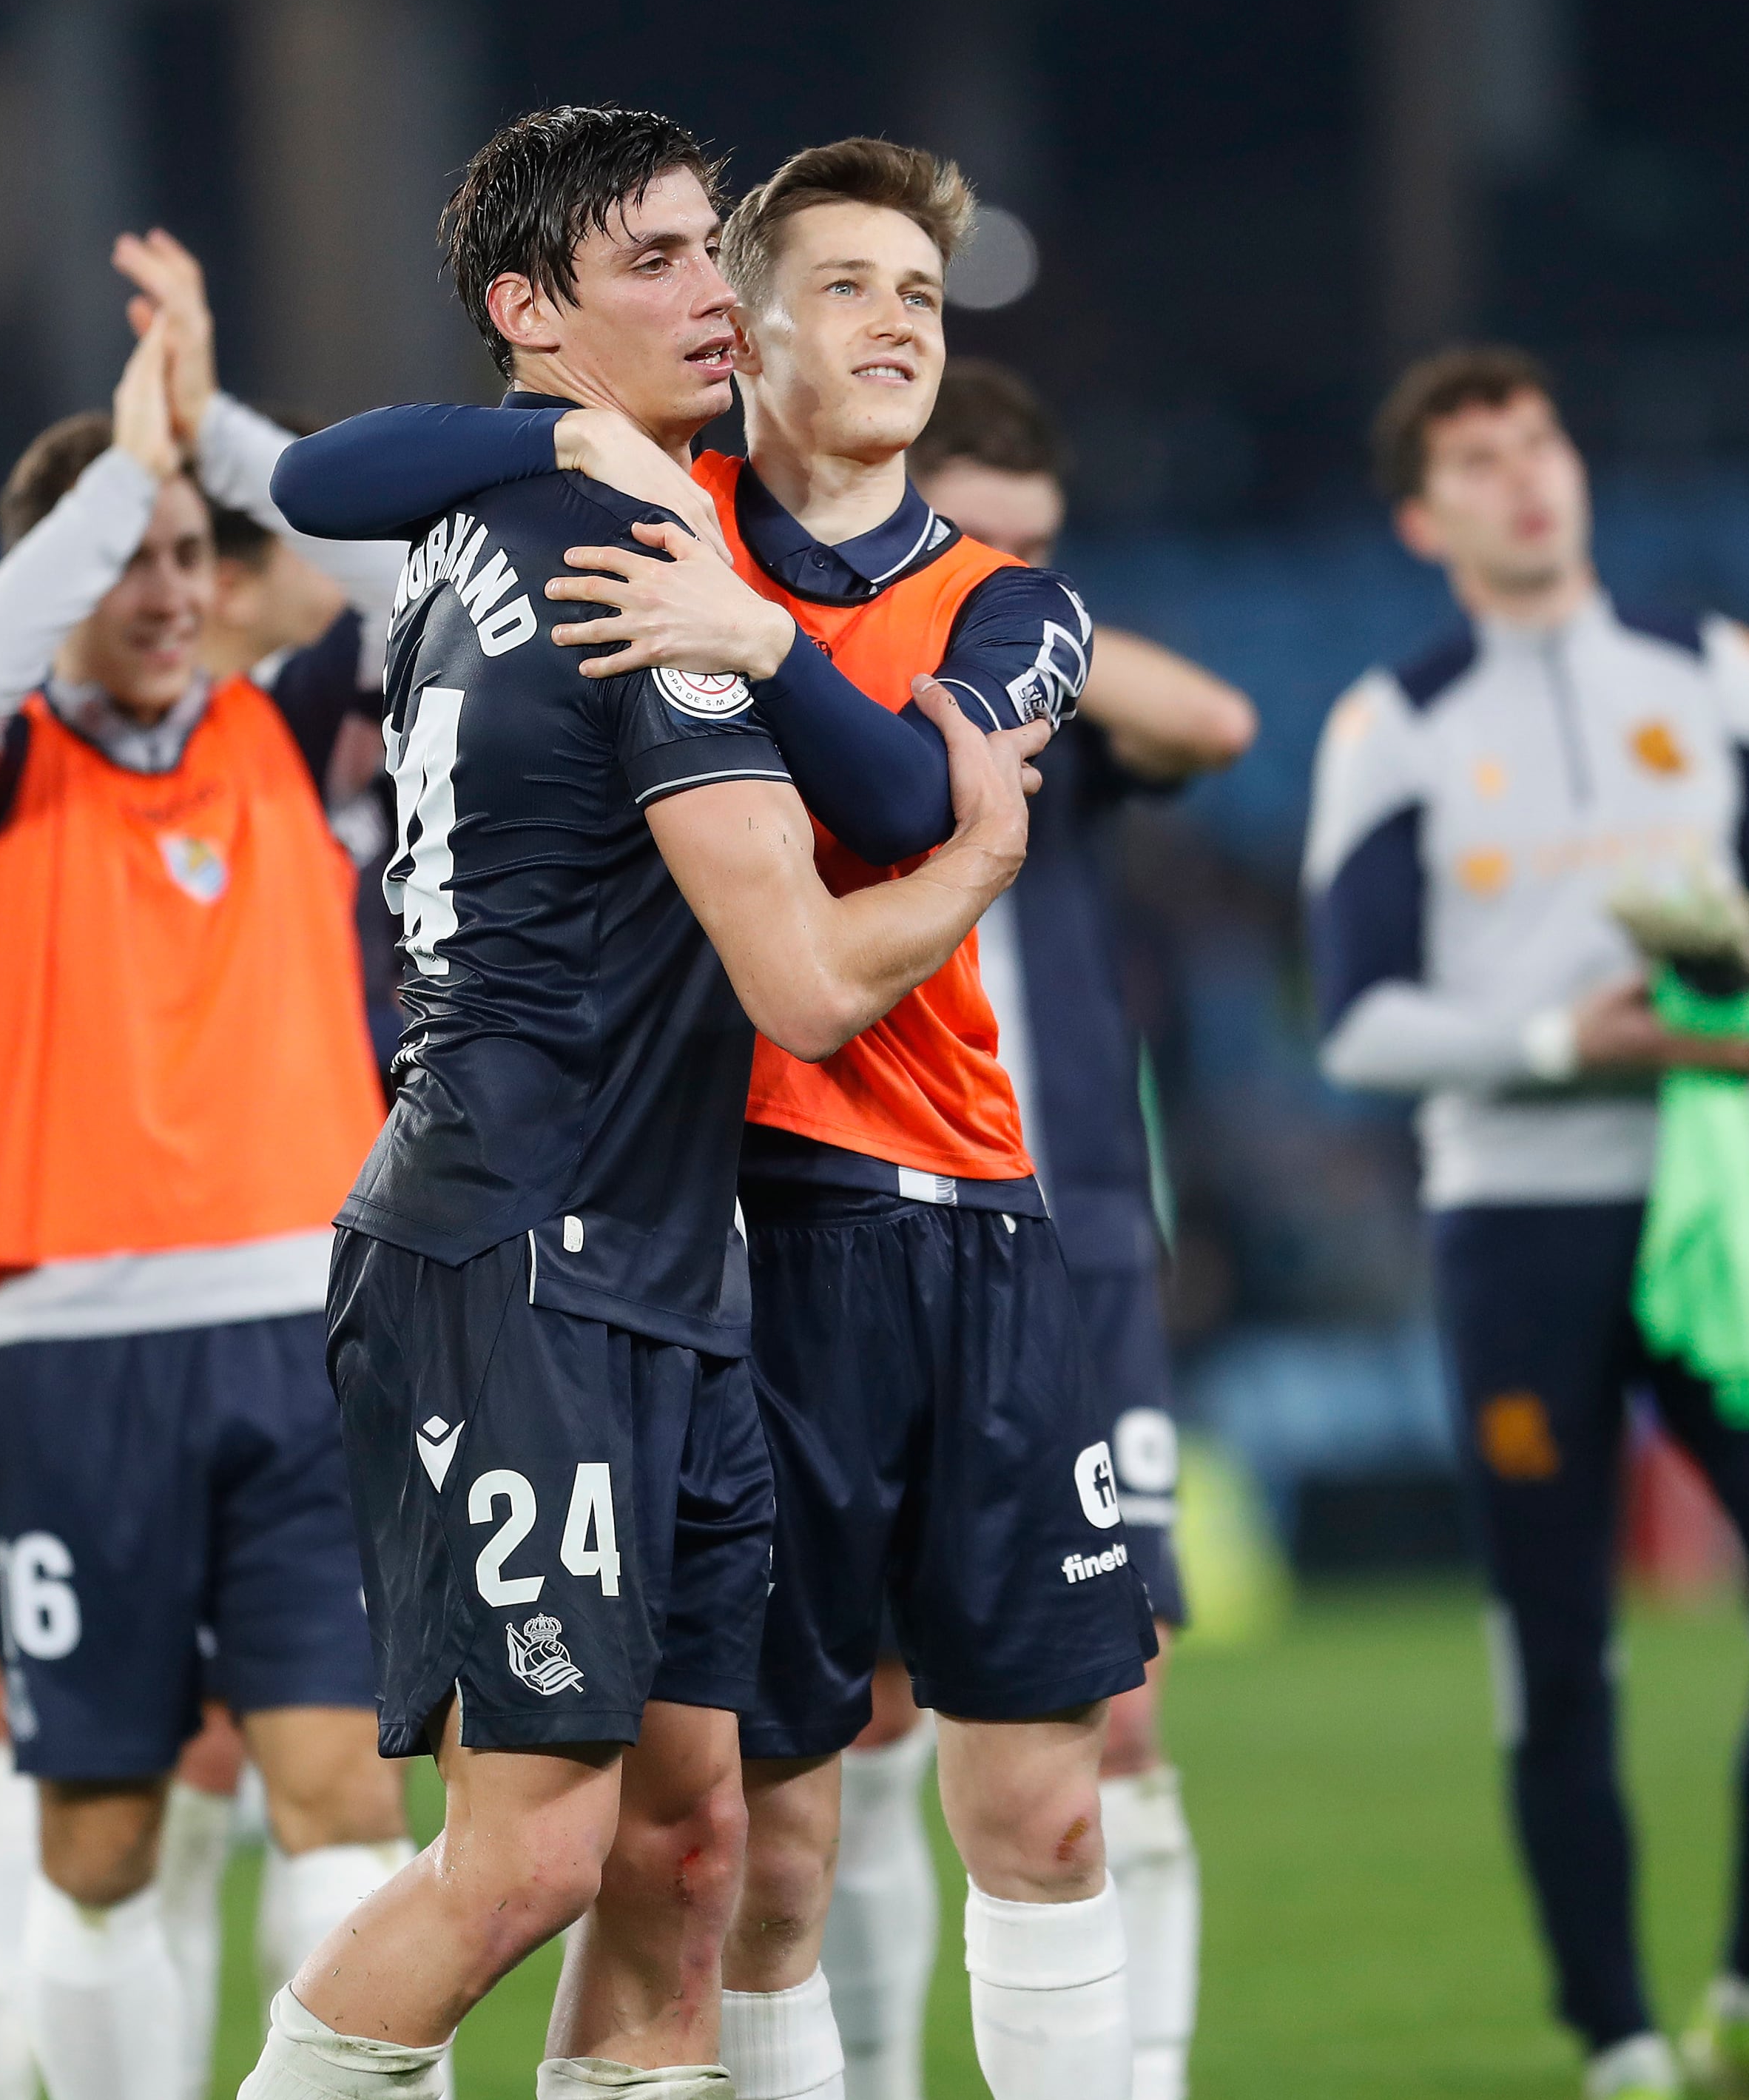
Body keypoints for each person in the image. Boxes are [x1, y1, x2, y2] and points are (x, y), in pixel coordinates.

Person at [283, 141, 1162, 2100]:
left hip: (881, 1231)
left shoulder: (977, 598)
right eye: (830, 284)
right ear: (759, 335)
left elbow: (916, 792)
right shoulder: (632, 549)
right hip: (660, 1228)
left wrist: (748, 626)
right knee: (643, 1849)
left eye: (922, 294)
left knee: (739, 1834)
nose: (893, 324)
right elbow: (825, 953)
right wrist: (572, 451)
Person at [1303, 346, 1749, 2100]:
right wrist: (1568, 1039)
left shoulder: (1714, 673)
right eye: (1474, 461)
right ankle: (1621, 2036)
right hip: (1519, 1228)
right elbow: (1357, 1021)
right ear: (1423, 517)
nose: (1521, 477)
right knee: (1557, 1648)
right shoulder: (1392, 721)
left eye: (1536, 439)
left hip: (1729, 1184)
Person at [0, 232, 425, 2100]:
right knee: (101, 1845)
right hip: (73, 1355)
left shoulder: (295, 736)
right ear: (55, 587)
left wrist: (211, 442)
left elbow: (415, 576)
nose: (168, 589)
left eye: (191, 557)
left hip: (305, 1335)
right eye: (127, 560)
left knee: (345, 1807)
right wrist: (125, 474)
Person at [893, 359, 1256, 2100]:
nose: (1019, 573)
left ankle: (1144, 2075)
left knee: (1120, 1704)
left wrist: (1013, 609)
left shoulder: (1060, 710)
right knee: (866, 1718)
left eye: (1047, 548)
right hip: (873, 1223)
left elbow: (1222, 724)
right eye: (983, 540)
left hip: (1078, 1241)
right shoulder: (847, 700)